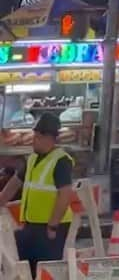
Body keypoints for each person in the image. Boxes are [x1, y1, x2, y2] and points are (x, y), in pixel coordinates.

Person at [0, 113, 74, 276]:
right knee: (27, 271)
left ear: (49, 138)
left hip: (50, 228)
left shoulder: (61, 161)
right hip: (30, 225)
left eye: (38, 136)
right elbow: (15, 183)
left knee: (46, 272)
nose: (34, 139)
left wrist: (52, 226)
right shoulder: (32, 159)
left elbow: (65, 195)